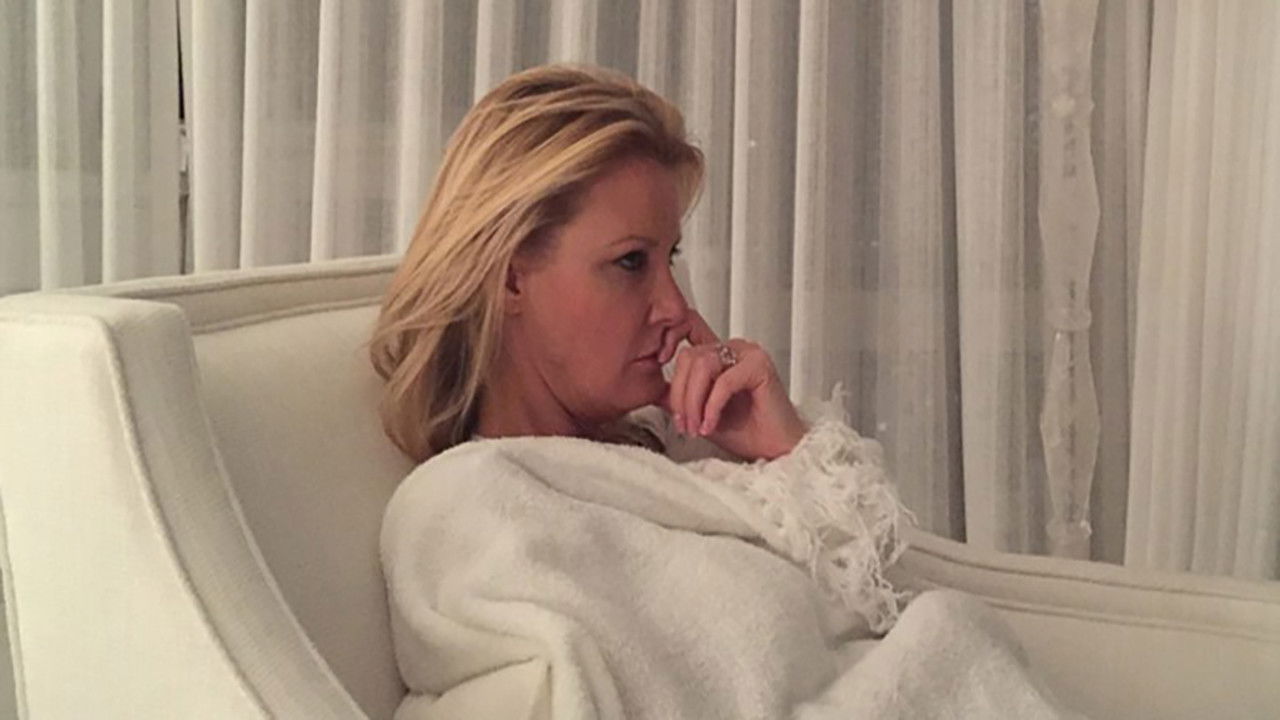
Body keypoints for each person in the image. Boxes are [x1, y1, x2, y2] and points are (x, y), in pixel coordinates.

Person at [371, 64, 1073, 720]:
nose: (676, 307)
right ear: (510, 277)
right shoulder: (473, 508)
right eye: (631, 262)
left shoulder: (677, 458)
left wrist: (784, 451)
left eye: (670, 259)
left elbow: (875, 610)